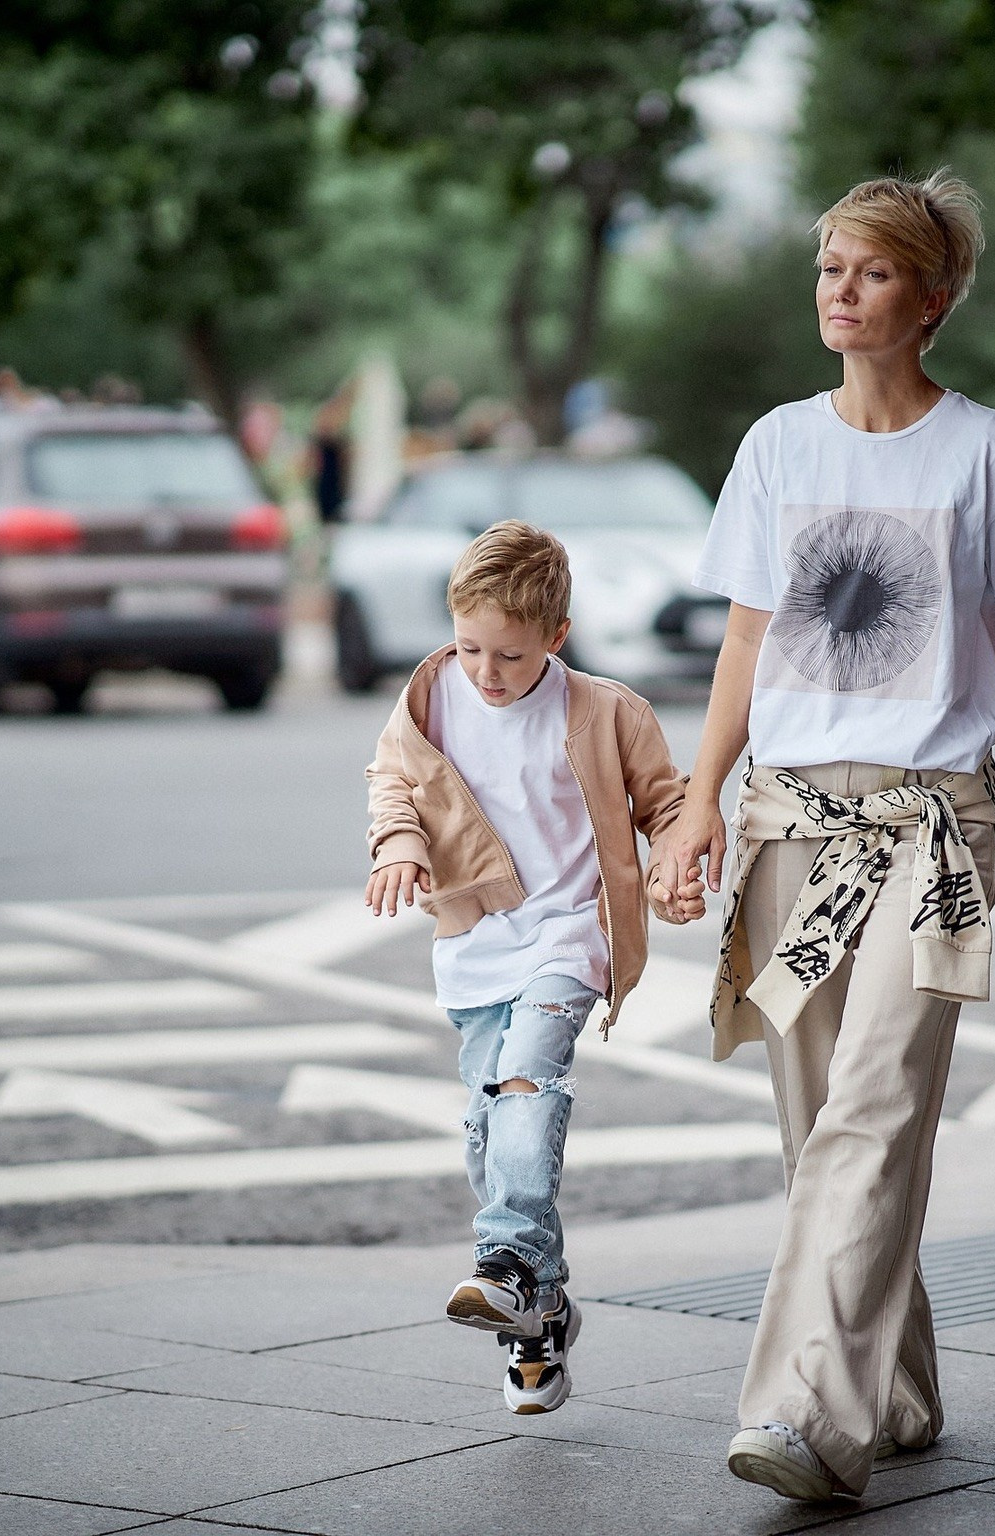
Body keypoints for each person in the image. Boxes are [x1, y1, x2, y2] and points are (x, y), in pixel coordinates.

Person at [647, 171, 995, 1503]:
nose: (838, 293)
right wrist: (696, 805)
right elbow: (749, 636)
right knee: (819, 1133)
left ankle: (809, 1416)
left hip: (938, 833)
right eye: (826, 269)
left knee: (871, 1113)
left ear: (934, 297)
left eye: (866, 272)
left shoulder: (985, 449)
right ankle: (899, 1391)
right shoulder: (777, 447)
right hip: (791, 819)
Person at [362, 520, 688, 1415]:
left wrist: (674, 864)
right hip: (476, 945)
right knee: (486, 1128)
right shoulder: (431, 697)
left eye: (508, 654)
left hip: (569, 937)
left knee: (524, 1088)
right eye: (470, 647)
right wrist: (397, 845)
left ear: (556, 637)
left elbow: (667, 803)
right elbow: (392, 779)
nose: (486, 672)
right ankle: (537, 1313)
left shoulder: (607, 710)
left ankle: (503, 1254)